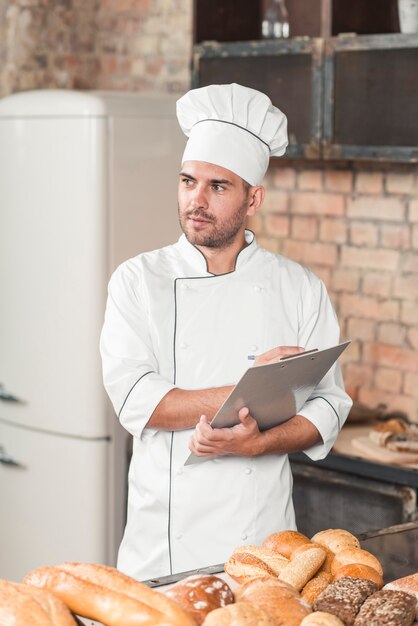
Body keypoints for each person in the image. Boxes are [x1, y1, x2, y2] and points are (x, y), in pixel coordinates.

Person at [100, 83, 353, 581]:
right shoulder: (137, 280)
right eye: (188, 181)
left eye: (218, 186)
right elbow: (140, 402)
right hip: (163, 546)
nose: (196, 200)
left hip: (261, 544)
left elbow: (329, 405)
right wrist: (250, 386)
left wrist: (258, 443)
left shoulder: (299, 287)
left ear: (252, 197)